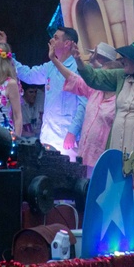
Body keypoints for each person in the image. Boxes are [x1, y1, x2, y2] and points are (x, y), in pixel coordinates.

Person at [0, 27, 86, 160]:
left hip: (67, 137)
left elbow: (83, 105)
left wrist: (73, 132)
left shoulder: (78, 68)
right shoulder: (50, 66)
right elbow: (27, 74)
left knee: (67, 177)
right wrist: (6, 52)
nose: (51, 40)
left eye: (56, 38)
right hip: (48, 135)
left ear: (67, 43)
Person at [51, 42, 118, 173]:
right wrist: (54, 60)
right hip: (84, 156)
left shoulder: (120, 100)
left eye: (102, 76)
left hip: (103, 160)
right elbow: (73, 78)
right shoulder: (94, 91)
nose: (97, 78)